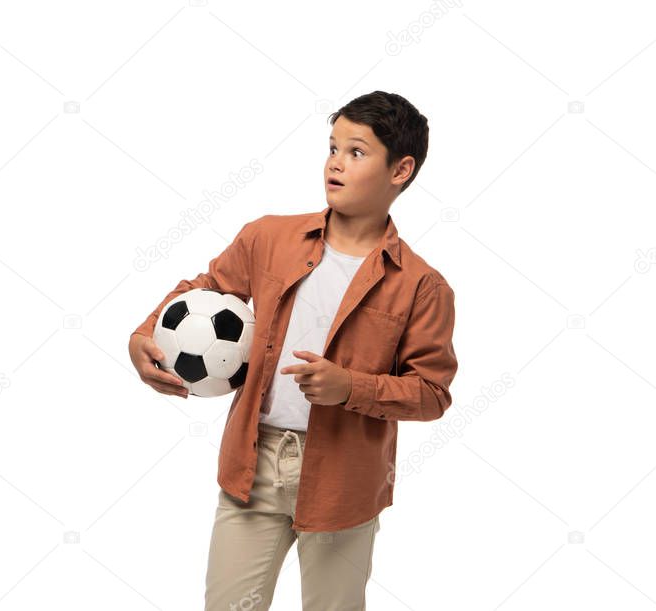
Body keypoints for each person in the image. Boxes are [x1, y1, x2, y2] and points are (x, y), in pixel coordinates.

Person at [128, 90, 459, 610]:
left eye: (356, 152)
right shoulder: (269, 238)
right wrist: (144, 333)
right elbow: (208, 288)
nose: (335, 163)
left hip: (344, 481)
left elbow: (432, 393)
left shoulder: (423, 286)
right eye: (332, 147)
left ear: (401, 170)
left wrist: (349, 387)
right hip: (253, 462)